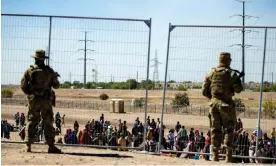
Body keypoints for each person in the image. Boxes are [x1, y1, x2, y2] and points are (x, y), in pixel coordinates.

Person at [202, 52, 243, 162]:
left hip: (213, 105)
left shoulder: (211, 73)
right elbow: (238, 89)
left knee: (215, 130)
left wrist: (213, 98)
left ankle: (215, 155)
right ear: (228, 60)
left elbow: (204, 91)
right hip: (226, 105)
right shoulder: (232, 74)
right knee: (229, 129)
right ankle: (228, 156)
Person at [20, 49, 61, 153]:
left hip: (34, 100)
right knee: (48, 122)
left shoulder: (29, 71)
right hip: (46, 100)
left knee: (32, 121)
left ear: (35, 59)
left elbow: (23, 86)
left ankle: (28, 145)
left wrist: (30, 94)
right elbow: (57, 86)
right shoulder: (49, 71)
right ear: (43, 59)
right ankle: (51, 146)